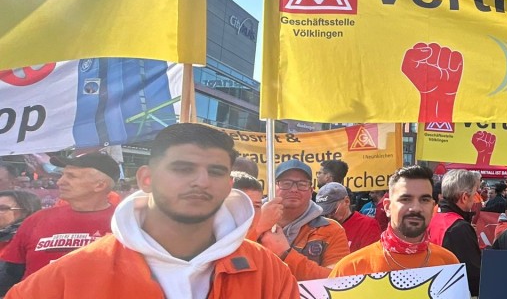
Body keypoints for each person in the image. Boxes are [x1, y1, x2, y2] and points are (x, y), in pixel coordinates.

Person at [5, 123, 298, 298]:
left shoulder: (266, 270)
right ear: (146, 178)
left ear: (228, 183)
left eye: (216, 171)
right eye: (182, 168)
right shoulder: (69, 276)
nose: (201, 180)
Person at [0, 152, 119, 293]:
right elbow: (11, 274)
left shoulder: (126, 224)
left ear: (100, 185)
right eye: (63, 175)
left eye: (71, 176)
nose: (60, 182)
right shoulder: (36, 219)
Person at [330, 166, 458, 276]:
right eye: (405, 199)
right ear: (387, 207)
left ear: (432, 206)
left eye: (424, 200)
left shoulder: (449, 263)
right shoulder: (349, 269)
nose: (416, 208)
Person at [256, 160, 349, 280]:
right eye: (286, 183)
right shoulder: (249, 222)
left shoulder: (331, 229)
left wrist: (285, 254)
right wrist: (258, 228)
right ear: (272, 188)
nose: (294, 189)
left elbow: (337, 280)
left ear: (311, 191)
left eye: (302, 184)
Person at [427, 169, 482, 295]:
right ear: (464, 197)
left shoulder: (433, 217)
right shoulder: (459, 228)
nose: (475, 200)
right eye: (474, 194)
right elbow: (474, 278)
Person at [317, 182, 382, 252]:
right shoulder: (319, 227)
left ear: (346, 201)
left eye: (333, 210)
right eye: (324, 214)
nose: (328, 216)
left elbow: (369, 258)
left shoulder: (367, 225)